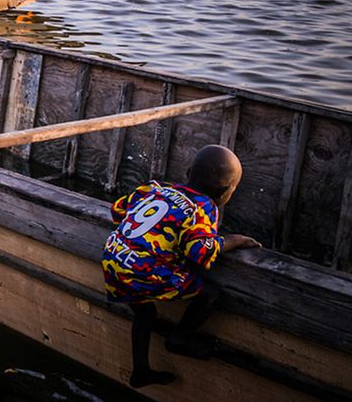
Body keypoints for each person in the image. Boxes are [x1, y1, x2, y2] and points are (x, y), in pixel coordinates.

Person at [101, 145, 261, 388]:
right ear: (225, 192)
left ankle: (141, 371)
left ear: (187, 172)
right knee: (209, 294)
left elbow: (118, 210)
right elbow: (201, 253)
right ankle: (180, 339)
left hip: (114, 259)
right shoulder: (203, 209)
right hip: (141, 272)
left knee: (145, 312)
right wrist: (235, 240)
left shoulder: (156, 189)